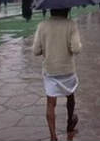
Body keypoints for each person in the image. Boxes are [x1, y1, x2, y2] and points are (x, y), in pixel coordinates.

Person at [33, 8, 82, 141]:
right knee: (70, 95)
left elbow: (36, 50)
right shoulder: (71, 24)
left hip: (50, 70)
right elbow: (76, 48)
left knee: (50, 102)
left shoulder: (42, 26)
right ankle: (70, 122)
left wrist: (47, 47)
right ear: (66, 10)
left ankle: (53, 136)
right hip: (67, 69)